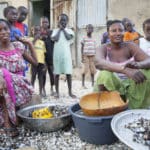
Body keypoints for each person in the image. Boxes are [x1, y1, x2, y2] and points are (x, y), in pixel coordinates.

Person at [94, 19, 150, 109]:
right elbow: (98, 62)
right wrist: (125, 70)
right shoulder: (103, 48)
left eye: (121, 30)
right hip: (111, 88)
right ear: (108, 33)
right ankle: (109, 107)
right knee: (104, 74)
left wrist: (139, 65)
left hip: (130, 87)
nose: (118, 33)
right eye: (113, 31)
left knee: (148, 72)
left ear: (124, 32)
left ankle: (135, 109)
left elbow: (148, 60)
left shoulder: (130, 46)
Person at [0, 19, 37, 137]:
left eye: (5, 29)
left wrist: (30, 44)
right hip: (2, 88)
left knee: (4, 76)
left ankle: (11, 119)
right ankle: (7, 122)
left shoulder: (18, 46)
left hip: (20, 87)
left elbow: (35, 63)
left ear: (10, 30)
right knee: (3, 75)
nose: (3, 32)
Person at [51, 13, 76, 98]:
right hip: (57, 55)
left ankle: (70, 92)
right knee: (57, 73)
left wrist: (63, 30)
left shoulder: (70, 31)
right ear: (58, 21)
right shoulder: (55, 31)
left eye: (64, 20)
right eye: (61, 20)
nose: (63, 22)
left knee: (68, 73)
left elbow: (69, 38)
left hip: (66, 55)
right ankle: (57, 92)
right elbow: (55, 39)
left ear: (67, 21)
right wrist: (59, 30)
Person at [30, 25, 47, 97]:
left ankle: (40, 92)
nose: (37, 32)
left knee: (40, 77)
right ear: (32, 31)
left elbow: (44, 53)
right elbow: (30, 47)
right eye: (35, 30)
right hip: (34, 62)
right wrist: (35, 39)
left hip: (41, 62)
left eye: (38, 30)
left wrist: (45, 63)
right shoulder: (30, 40)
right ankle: (31, 91)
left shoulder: (42, 42)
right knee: (33, 76)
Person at [40, 16, 55, 95]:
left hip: (50, 55)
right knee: (43, 73)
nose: (44, 24)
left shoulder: (51, 32)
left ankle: (52, 88)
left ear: (48, 23)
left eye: (46, 22)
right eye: (43, 22)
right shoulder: (38, 33)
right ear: (40, 23)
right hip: (42, 56)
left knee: (52, 73)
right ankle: (43, 89)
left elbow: (54, 42)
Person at [15, 6, 29, 76]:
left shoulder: (25, 27)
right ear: (16, 13)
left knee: (23, 70)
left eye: (25, 15)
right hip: (14, 51)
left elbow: (26, 38)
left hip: (23, 52)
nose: (23, 17)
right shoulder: (12, 24)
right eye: (22, 14)